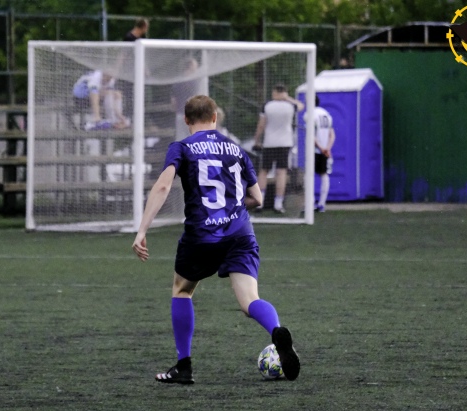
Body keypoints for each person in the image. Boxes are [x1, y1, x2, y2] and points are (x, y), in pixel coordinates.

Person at [132, 95, 300, 384]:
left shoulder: (181, 147)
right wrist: (231, 209)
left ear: (186, 120)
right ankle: (276, 331)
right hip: (240, 233)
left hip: (202, 235)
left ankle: (184, 366)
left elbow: (162, 187)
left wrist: (142, 230)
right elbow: (257, 198)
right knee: (250, 300)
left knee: (182, 290)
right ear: (215, 117)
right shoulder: (236, 149)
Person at [253, 84, 304, 214]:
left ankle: (260, 202)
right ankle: (278, 204)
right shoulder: (290, 106)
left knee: (264, 171)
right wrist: (288, 98)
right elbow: (301, 106)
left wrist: (257, 140)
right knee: (281, 172)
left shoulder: (267, 106)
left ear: (274, 92)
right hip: (285, 143)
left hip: (269, 142)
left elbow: (261, 125)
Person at [310, 95, 335, 213]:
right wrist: (327, 148)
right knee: (324, 175)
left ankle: (310, 203)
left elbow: (311, 134)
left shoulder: (310, 114)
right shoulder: (326, 114)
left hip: (314, 150)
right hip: (324, 150)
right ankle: (322, 203)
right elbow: (332, 134)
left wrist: (320, 147)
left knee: (308, 176)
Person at [171, 57, 201, 141]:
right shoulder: (194, 81)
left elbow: (173, 101)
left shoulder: (178, 81)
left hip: (180, 113)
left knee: (181, 138)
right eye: (195, 66)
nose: (196, 68)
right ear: (190, 66)